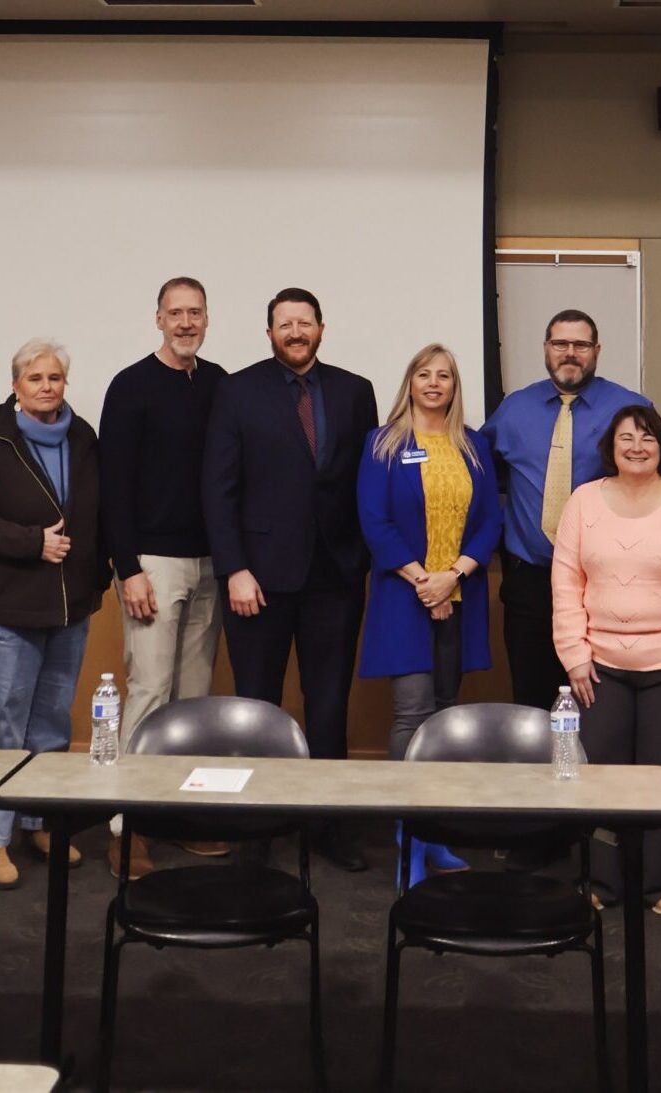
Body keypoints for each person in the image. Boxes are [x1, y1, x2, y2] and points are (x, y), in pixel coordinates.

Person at [203, 287, 378, 871]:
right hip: (259, 579)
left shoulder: (356, 392)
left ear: (322, 329)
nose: (296, 332)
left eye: (305, 323)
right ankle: (259, 826)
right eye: (285, 324)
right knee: (259, 707)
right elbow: (218, 487)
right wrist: (234, 568)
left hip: (336, 575)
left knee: (328, 705)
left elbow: (364, 484)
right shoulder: (237, 390)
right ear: (269, 332)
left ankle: (328, 825)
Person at [552, 404, 661, 915]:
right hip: (598, 667)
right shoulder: (583, 502)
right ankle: (602, 882)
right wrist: (575, 656)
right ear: (610, 447)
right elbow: (566, 584)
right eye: (626, 437)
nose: (636, 446)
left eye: (647, 438)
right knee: (599, 775)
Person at [0, 338, 106, 889]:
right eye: (35, 378)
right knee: (1, 727)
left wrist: (96, 577)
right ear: (16, 385)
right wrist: (30, 542)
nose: (47, 387)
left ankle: (38, 821)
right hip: (1, 610)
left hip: (67, 609)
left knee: (51, 727)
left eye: (55, 377)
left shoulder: (83, 438)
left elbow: (97, 511)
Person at [481, 309, 661, 713]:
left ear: (596, 351)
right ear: (546, 349)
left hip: (604, 583)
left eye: (580, 345)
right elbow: (485, 478)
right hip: (531, 579)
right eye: (561, 344)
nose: (570, 353)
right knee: (532, 700)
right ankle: (539, 777)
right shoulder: (514, 410)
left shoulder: (630, 408)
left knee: (595, 705)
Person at [357, 344, 502, 884]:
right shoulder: (384, 443)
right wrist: (424, 581)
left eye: (444, 376)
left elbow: (491, 520)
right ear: (410, 381)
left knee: (445, 717)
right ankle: (407, 837)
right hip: (404, 596)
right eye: (425, 374)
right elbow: (374, 522)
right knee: (411, 713)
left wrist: (454, 576)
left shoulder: (475, 446)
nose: (435, 383)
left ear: (455, 385)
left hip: (460, 596)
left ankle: (434, 835)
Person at [99, 277, 226, 878]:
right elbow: (113, 489)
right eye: (175, 312)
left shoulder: (220, 383)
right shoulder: (129, 386)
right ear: (157, 319)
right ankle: (127, 826)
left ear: (206, 319)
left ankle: (181, 816)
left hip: (211, 564)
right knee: (148, 693)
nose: (185, 322)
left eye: (195, 312)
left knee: (192, 701)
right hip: (153, 563)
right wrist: (128, 570)